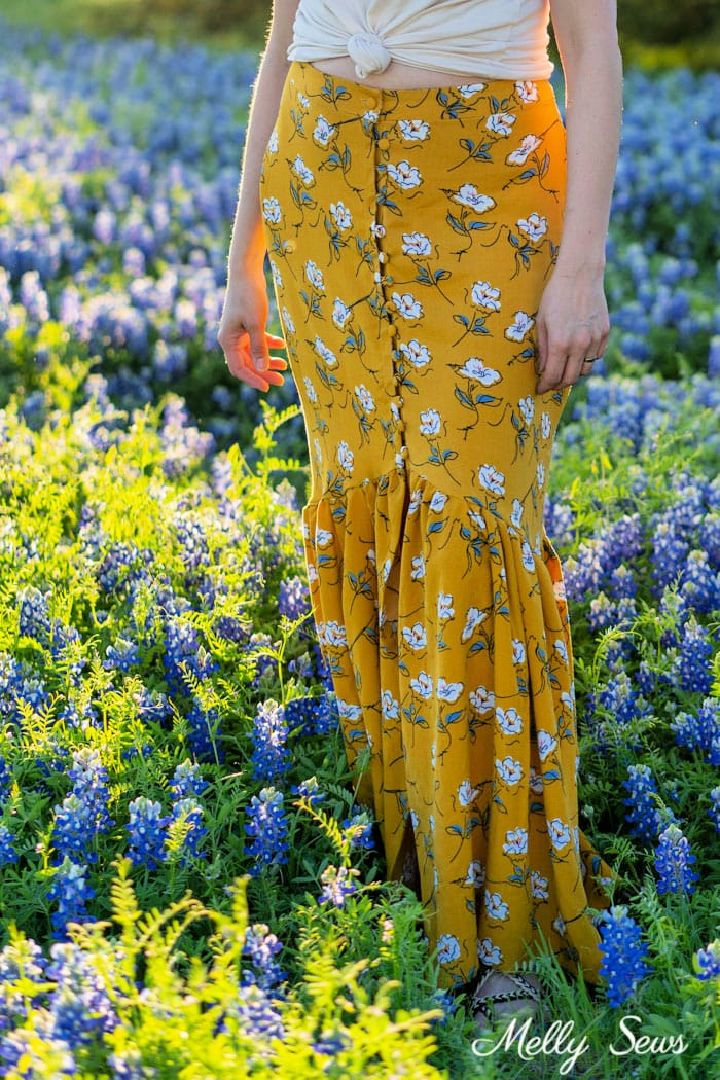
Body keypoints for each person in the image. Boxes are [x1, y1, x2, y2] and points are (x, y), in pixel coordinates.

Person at [218, 0, 623, 1031]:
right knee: (365, 516)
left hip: (487, 175)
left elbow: (591, 48)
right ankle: (399, 877)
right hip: (321, 184)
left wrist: (580, 267)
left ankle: (503, 931)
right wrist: (242, 257)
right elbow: (284, 33)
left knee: (470, 526)